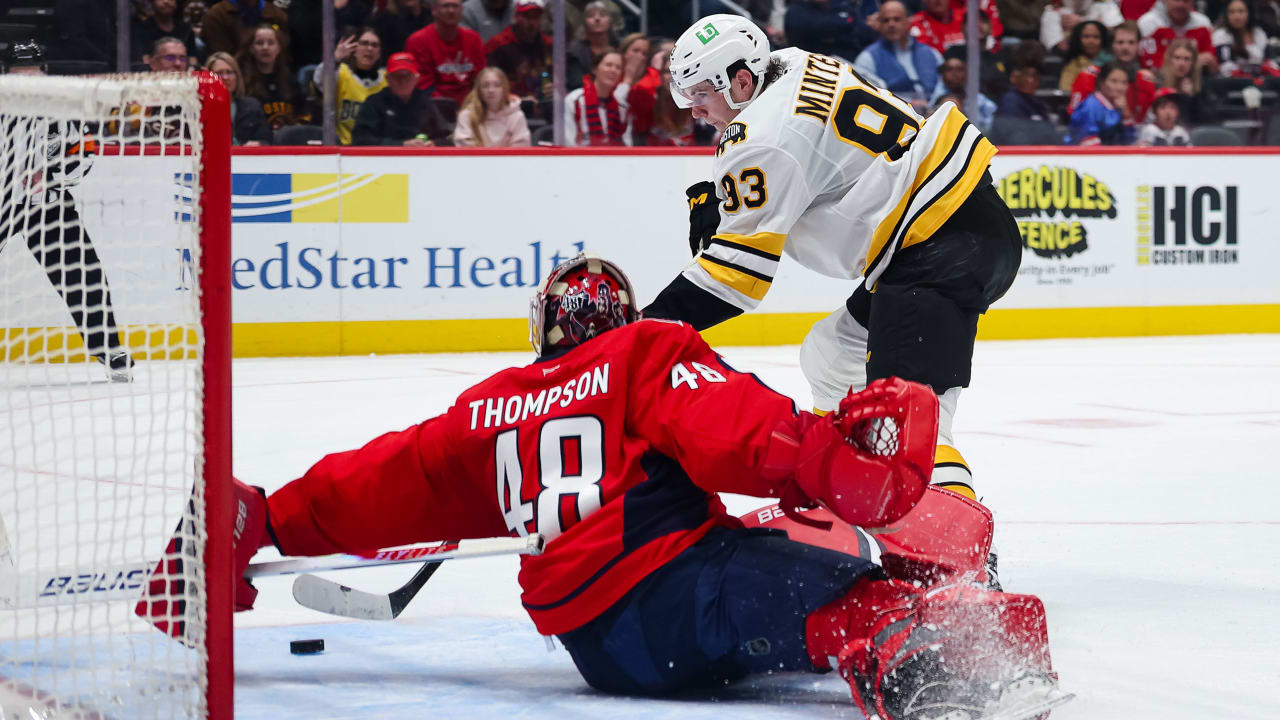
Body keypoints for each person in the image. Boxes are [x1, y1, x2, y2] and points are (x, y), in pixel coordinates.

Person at [142, 251, 1064, 719]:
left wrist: (264, 517)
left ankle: (879, 623)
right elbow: (739, 431)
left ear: (544, 323)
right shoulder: (643, 353)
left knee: (766, 563)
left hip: (599, 647)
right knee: (860, 602)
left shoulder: (486, 408)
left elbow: (383, 483)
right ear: (617, 317)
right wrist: (826, 456)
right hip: (672, 596)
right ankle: (915, 663)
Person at [645, 15, 1023, 519]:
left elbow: (734, 279)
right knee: (833, 355)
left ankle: (959, 545)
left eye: (699, 94)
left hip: (935, 244)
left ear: (740, 81)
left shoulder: (760, 137)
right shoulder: (793, 62)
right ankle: (852, 489)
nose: (692, 109)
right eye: (682, 95)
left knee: (906, 418)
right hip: (953, 226)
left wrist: (643, 332)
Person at [0, 41, 133, 382]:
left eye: (33, 75)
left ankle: (110, 349)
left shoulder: (63, 108)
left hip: (49, 203)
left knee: (82, 272)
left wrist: (52, 175)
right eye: (18, 77)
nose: (27, 83)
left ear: (45, 73)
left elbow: (85, 152)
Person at [853, 0, 943, 112]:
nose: (891, 24)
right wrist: (908, 105)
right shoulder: (867, 59)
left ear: (907, 22)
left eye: (897, 19)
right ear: (879, 25)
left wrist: (934, 104)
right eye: (886, 20)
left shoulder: (932, 53)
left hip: (934, 114)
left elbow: (943, 86)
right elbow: (868, 97)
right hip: (895, 117)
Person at [352, 52, 453, 145]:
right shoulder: (373, 103)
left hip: (421, 160)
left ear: (416, 79)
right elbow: (360, 139)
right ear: (388, 79)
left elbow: (447, 138)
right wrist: (401, 145)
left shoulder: (426, 102)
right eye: (397, 76)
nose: (403, 81)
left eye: (407, 76)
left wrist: (434, 143)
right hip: (384, 161)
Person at [1068, 20, 1156, 121]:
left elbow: (1148, 122)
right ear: (1112, 45)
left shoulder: (1145, 80)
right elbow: (1075, 116)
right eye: (1120, 42)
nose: (1126, 47)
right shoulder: (1090, 76)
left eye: (1131, 42)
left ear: (1138, 45)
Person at [316, 26, 388, 145]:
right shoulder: (340, 72)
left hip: (377, 148)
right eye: (364, 43)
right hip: (344, 148)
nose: (370, 48)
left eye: (375, 45)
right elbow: (319, 81)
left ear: (380, 53)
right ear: (354, 48)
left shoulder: (387, 79)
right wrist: (335, 58)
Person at [406, 0, 487, 104]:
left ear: (462, 11)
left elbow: (480, 77)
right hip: (433, 105)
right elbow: (423, 86)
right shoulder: (417, 41)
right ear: (434, 11)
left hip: (471, 104)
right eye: (445, 6)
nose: (451, 10)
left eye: (455, 6)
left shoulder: (473, 38)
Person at [238, 23, 305, 130]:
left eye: (271, 43)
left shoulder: (290, 79)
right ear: (251, 49)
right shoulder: (243, 81)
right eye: (260, 43)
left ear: (278, 48)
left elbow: (303, 111)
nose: (265, 47)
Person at [484, 0, 553, 102]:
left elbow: (558, 81)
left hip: (543, 105)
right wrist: (514, 98)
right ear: (516, 17)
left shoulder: (549, 44)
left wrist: (554, 88)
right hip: (507, 106)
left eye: (536, 17)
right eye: (526, 16)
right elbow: (487, 86)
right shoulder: (497, 45)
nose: (532, 23)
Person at [563, 50, 631, 146]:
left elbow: (627, 145)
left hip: (614, 159)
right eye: (608, 65)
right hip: (580, 158)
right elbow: (568, 142)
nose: (613, 70)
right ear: (595, 69)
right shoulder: (574, 100)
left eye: (618, 67)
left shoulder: (622, 107)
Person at [206, 52, 273, 145]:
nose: (225, 77)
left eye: (229, 72)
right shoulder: (199, 109)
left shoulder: (253, 106)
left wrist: (258, 144)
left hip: (246, 158)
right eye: (219, 73)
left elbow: (267, 140)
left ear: (237, 76)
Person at [453, 67, 532, 146]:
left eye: (497, 85)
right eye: (485, 86)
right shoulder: (467, 116)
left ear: (504, 89)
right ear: (479, 90)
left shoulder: (517, 116)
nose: (491, 90)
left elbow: (521, 151)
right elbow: (464, 151)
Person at [786, 0, 882, 63]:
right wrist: (845, 24)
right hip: (813, 66)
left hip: (851, 64)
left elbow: (862, 32)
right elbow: (821, 27)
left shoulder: (842, 5)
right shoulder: (796, 10)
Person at [1065, 61, 1135, 143]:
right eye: (1114, 81)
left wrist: (1126, 113)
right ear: (1101, 82)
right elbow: (1087, 141)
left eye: (1124, 83)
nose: (1120, 87)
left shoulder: (1121, 107)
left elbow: (1130, 141)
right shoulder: (1090, 106)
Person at [931, 47, 997, 132]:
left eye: (960, 69)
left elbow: (991, 125)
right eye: (949, 69)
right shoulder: (933, 99)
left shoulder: (980, 100)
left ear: (967, 74)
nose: (955, 74)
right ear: (942, 75)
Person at [1138, 0, 1217, 71]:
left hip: (1198, 80)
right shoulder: (1149, 23)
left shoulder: (1202, 23)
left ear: (1193, 2)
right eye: (1176, 0)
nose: (1180, 5)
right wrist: (1192, 62)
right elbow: (1148, 63)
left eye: (1186, 1)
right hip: (1159, 81)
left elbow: (1212, 61)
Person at [202, 0, 291, 60]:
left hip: (273, 75)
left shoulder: (276, 14)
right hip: (234, 77)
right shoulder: (217, 15)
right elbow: (221, 58)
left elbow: (285, 56)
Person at [1212, 0, 1277, 77]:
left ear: (1249, 13)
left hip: (1261, 79)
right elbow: (1225, 67)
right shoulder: (1222, 35)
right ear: (1227, 15)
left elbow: (1271, 62)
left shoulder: (1258, 33)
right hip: (1233, 82)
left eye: (1241, 11)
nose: (1236, 16)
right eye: (1231, 12)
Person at [910, 0, 1003, 53]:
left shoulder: (966, 16)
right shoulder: (917, 22)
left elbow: (989, 38)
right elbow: (927, 54)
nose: (937, 0)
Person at [565, 1, 619, 91]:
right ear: (584, 22)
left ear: (610, 21)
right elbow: (576, 83)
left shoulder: (619, 47)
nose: (597, 19)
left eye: (602, 15)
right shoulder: (574, 51)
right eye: (591, 16)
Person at [1040, 0, 1123, 52]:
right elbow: (1061, 49)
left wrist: (1083, 23)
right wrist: (1097, 24)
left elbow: (1121, 35)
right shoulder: (1051, 13)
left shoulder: (1104, 6)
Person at [133, 0, 197, 65]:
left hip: (182, 73)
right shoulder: (142, 28)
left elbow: (193, 61)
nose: (166, 1)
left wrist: (203, 74)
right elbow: (144, 62)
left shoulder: (186, 29)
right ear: (152, 2)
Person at [1059, 20, 1110, 90]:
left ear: (1103, 39)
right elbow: (1065, 89)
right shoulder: (1072, 65)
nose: (1091, 41)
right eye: (1086, 36)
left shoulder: (1112, 62)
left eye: (1096, 37)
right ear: (1078, 39)